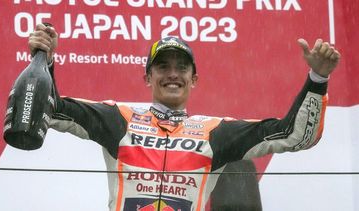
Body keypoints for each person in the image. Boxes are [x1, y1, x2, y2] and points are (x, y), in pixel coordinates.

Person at [27, 23, 340, 211]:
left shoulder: (216, 131)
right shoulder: (118, 118)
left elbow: (295, 135)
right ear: (148, 77)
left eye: (182, 67)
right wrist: (45, 58)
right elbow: (51, 109)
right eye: (163, 67)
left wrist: (318, 78)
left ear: (195, 79)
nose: (172, 74)